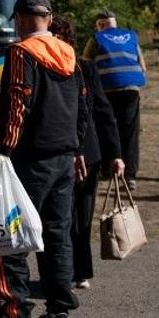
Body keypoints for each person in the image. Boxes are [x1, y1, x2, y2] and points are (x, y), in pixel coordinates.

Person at [0, 0, 89, 318]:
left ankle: (15, 311)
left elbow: (17, 101)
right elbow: (81, 107)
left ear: (21, 18)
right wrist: (76, 151)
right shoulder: (69, 53)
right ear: (48, 17)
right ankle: (58, 313)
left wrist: (4, 150)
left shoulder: (20, 52)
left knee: (11, 232)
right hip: (63, 157)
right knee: (57, 235)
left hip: (28, 158)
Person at [51, 16, 122, 291]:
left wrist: (115, 154)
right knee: (59, 217)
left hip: (88, 154)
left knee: (81, 216)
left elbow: (104, 113)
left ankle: (80, 270)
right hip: (56, 151)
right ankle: (62, 270)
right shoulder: (40, 66)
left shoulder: (86, 68)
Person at [83, 9, 146, 191]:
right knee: (130, 132)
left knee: (105, 127)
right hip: (131, 89)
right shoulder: (131, 36)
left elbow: (86, 64)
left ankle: (106, 168)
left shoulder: (97, 38)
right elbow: (142, 65)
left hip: (106, 90)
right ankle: (130, 176)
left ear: (101, 24)